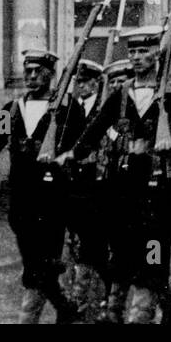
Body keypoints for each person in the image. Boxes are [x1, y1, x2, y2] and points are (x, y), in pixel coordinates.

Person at [73, 26, 171, 322]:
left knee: (153, 255)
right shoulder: (121, 94)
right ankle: (130, 309)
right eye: (133, 52)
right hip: (123, 191)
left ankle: (141, 314)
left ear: (156, 54)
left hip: (158, 193)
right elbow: (95, 129)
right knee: (125, 253)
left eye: (143, 52)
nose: (137, 58)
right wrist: (72, 153)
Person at [0, 48, 82, 323]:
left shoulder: (67, 108)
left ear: (51, 75)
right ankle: (64, 306)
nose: (30, 76)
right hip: (21, 198)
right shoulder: (13, 109)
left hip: (54, 197)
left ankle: (34, 316)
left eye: (37, 72)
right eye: (27, 71)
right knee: (34, 260)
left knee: (40, 263)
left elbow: (81, 145)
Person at [63, 59, 112, 320]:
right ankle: (82, 301)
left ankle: (100, 300)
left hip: (99, 185)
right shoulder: (68, 109)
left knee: (96, 246)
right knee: (79, 245)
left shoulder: (105, 107)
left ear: (95, 83)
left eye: (84, 82)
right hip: (74, 186)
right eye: (77, 82)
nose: (80, 86)